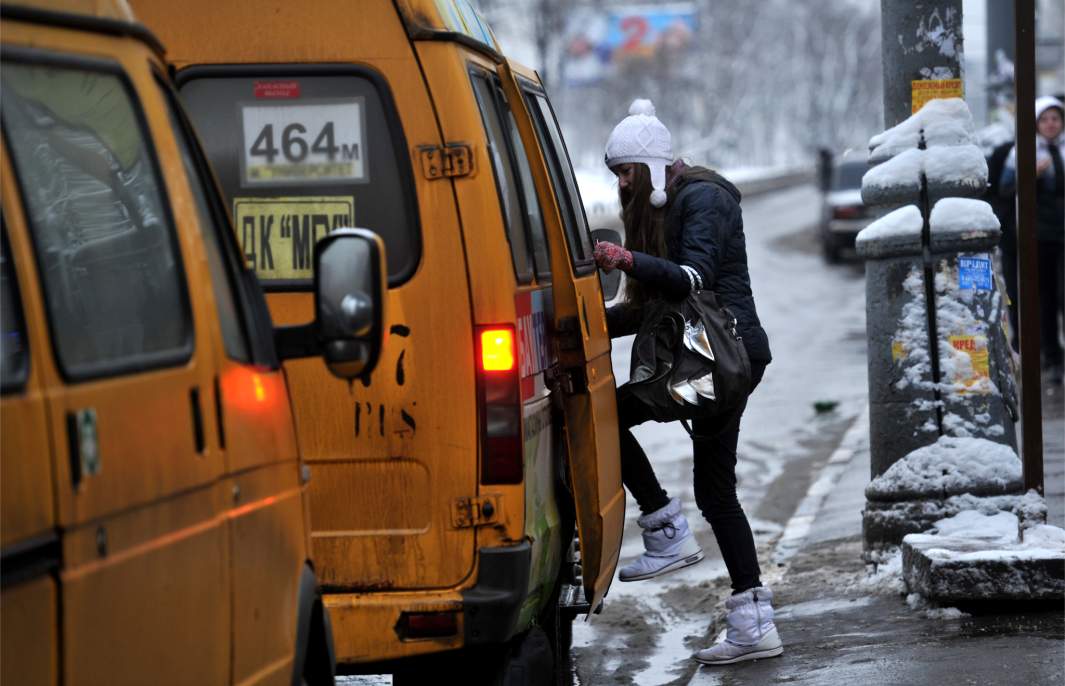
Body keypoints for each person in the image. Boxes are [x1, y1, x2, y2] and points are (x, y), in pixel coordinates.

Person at [593, 99, 780, 665]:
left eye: (626, 171)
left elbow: (690, 280)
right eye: (617, 175)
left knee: (611, 413)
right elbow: (653, 304)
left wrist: (625, 260)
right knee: (717, 492)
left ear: (650, 166)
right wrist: (587, 325)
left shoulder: (704, 198)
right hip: (704, 359)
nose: (622, 184)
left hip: (724, 360)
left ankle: (665, 528)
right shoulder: (668, 205)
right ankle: (752, 622)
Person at [1000, 96, 1065, 385]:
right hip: (1039, 236)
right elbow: (1005, 189)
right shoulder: (1022, 152)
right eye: (1045, 119)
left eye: (1055, 119)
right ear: (1036, 124)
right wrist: (1032, 174)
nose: (1051, 124)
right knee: (1045, 299)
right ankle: (1051, 357)